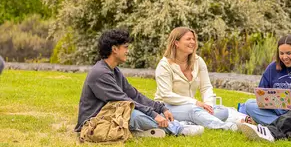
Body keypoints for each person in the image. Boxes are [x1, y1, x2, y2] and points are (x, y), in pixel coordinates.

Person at [75, 29, 204, 138]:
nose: (128, 51)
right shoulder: (100, 73)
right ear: (114, 49)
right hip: (95, 122)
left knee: (137, 113)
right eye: (125, 47)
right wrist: (153, 114)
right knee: (135, 115)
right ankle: (178, 129)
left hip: (113, 114)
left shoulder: (114, 70)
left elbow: (134, 95)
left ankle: (160, 128)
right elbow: (124, 100)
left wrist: (160, 108)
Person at [154, 27, 238, 131]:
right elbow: (166, 95)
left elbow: (206, 87)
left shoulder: (198, 61)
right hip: (167, 107)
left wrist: (208, 105)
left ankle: (187, 123)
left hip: (192, 107)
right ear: (176, 43)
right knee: (193, 110)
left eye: (193, 39)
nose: (193, 42)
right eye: (188, 39)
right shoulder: (164, 65)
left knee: (222, 111)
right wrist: (194, 102)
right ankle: (227, 126)